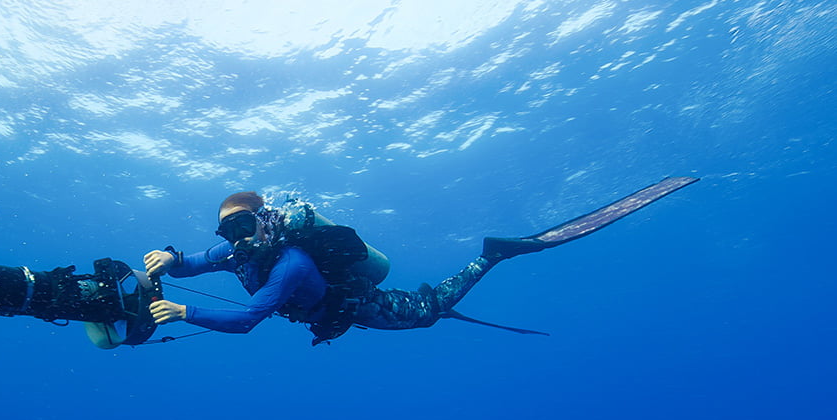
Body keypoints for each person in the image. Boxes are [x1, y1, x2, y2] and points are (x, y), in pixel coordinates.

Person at [144, 178, 697, 345]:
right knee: (431, 312)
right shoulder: (233, 251)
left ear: (264, 223)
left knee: (429, 309)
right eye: (227, 230)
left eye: (243, 226)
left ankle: (491, 258)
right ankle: (490, 260)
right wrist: (168, 259)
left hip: (362, 305)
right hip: (324, 313)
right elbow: (194, 262)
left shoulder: (288, 263)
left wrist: (183, 314)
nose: (234, 240)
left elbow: (246, 319)